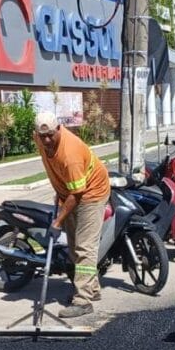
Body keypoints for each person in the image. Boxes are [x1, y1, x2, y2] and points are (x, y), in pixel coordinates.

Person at [34, 111, 110, 319]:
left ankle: (83, 301)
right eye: (43, 136)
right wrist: (59, 193)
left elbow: (77, 194)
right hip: (68, 192)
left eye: (51, 135)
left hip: (91, 193)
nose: (47, 140)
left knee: (84, 247)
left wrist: (58, 221)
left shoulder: (71, 154)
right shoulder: (40, 138)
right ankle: (92, 290)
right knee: (74, 246)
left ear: (59, 129)